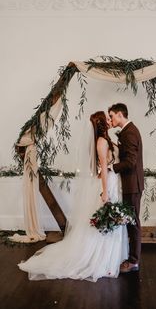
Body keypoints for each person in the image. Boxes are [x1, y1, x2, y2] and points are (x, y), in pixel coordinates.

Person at [18, 111, 128, 282]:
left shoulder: (105, 140)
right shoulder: (101, 142)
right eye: (107, 118)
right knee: (105, 222)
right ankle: (101, 260)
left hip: (113, 181)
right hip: (107, 184)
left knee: (109, 221)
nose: (109, 119)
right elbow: (104, 170)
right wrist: (105, 192)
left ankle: (108, 259)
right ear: (101, 124)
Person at [108, 103, 144, 273]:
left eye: (112, 116)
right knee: (130, 221)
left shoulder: (129, 133)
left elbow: (130, 162)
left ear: (120, 114)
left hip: (132, 184)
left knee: (133, 222)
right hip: (130, 184)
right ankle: (130, 257)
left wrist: (111, 168)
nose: (110, 119)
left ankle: (134, 261)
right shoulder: (128, 131)